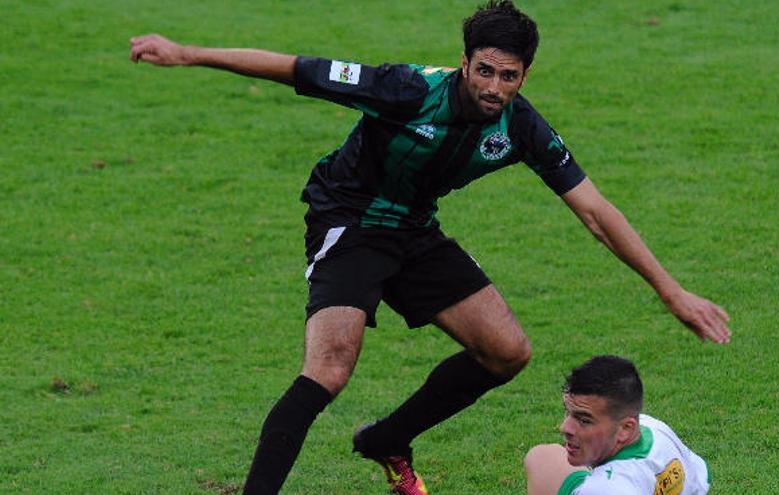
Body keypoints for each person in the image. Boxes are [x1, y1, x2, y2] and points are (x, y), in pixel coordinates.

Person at [129, 1, 730, 494]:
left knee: (507, 351)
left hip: (414, 229)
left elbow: (596, 212)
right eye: (485, 71)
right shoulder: (405, 88)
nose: (495, 87)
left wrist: (670, 290)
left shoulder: (520, 127)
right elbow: (295, 67)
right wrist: (187, 54)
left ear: (525, 76)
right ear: (465, 62)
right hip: (351, 221)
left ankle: (389, 439)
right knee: (330, 369)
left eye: (510, 76)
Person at [524, 355, 712, 495]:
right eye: (568, 412)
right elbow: (702, 477)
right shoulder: (653, 426)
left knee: (540, 458)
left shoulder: (603, 488)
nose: (565, 428)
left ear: (625, 429)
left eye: (584, 420)